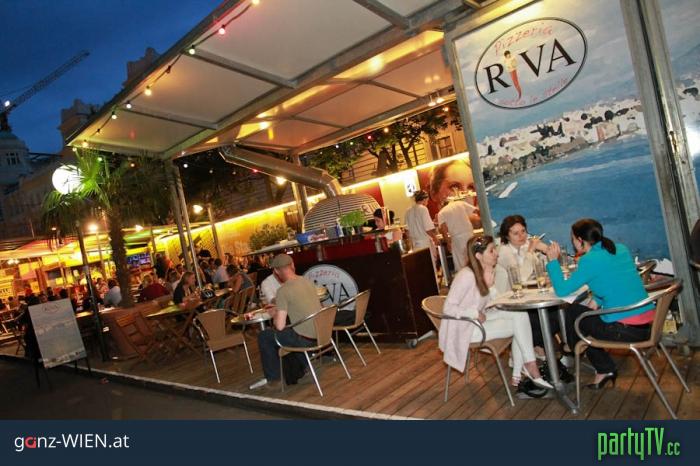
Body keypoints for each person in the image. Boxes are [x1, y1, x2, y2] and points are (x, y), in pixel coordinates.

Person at [546, 218, 653, 389]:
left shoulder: (589, 260)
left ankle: (573, 349)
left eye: (573, 239)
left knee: (573, 312)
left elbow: (562, 290)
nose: (573, 243)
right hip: (647, 326)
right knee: (584, 319)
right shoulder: (620, 249)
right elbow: (615, 281)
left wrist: (552, 261)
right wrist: (596, 300)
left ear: (580, 240)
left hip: (624, 330)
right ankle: (593, 361)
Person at [439, 235, 551, 389]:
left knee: (520, 314)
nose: (496, 254)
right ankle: (527, 368)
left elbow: (498, 302)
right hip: (465, 328)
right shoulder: (466, 275)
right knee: (519, 326)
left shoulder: (485, 271)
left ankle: (522, 370)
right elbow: (448, 308)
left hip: (479, 319)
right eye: (491, 251)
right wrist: (474, 313)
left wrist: (490, 287)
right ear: (479, 256)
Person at [250, 254, 320, 390]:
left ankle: (274, 379)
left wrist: (275, 313)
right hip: (321, 332)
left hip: (304, 339)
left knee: (265, 336)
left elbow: (279, 326)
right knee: (292, 331)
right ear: (292, 265)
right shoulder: (307, 281)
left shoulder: (283, 291)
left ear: (276, 271)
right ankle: (305, 365)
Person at [494, 215, 553, 356]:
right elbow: (520, 279)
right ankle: (536, 349)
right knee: (545, 318)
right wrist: (531, 251)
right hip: (508, 303)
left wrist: (545, 249)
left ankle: (541, 348)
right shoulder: (503, 252)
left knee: (554, 314)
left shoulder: (524, 246)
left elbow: (542, 265)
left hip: (526, 297)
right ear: (506, 236)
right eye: (516, 233)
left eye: (523, 231)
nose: (521, 236)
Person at [438, 198, 480, 272]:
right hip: (469, 233)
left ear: (442, 205)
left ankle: (465, 276)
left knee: (461, 261)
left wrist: (448, 243)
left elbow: (444, 230)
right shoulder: (460, 203)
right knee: (472, 256)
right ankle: (476, 273)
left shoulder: (441, 212)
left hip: (457, 238)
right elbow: (476, 210)